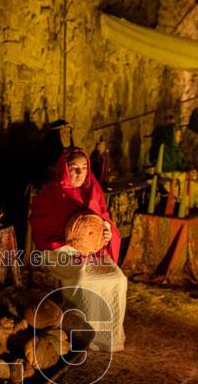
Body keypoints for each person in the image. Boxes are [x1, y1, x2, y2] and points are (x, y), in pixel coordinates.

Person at [29, 148, 127, 352]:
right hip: (61, 249)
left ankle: (109, 336)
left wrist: (106, 232)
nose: (80, 174)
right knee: (84, 279)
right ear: (64, 169)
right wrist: (69, 241)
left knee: (118, 279)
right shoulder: (52, 194)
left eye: (84, 168)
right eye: (74, 169)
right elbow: (40, 225)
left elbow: (104, 216)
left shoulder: (93, 188)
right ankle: (84, 334)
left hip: (94, 250)